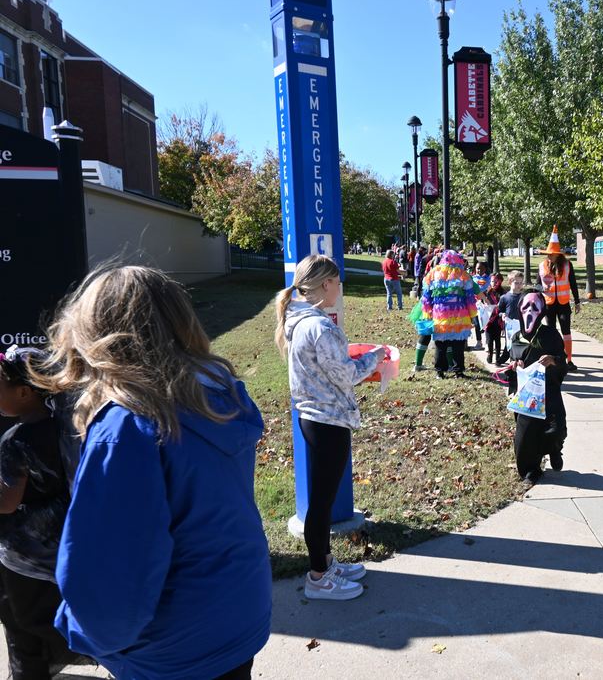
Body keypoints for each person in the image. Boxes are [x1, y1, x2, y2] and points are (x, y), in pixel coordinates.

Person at [33, 265, 271, 680]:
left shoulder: (127, 428)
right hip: (236, 615)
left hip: (171, 650)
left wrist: (83, 632)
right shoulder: (219, 396)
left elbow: (110, 571)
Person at [276, 254, 385, 602]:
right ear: (326, 284)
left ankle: (325, 563)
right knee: (321, 505)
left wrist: (350, 357)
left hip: (317, 416)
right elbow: (346, 375)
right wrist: (377, 356)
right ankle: (318, 577)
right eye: (338, 281)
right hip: (327, 420)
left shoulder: (302, 320)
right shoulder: (318, 326)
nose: (341, 288)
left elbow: (329, 368)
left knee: (322, 500)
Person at [0, 346, 80, 680]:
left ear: (24, 391)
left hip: (24, 556)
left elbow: (5, 502)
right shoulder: (63, 426)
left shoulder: (16, 441)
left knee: (21, 624)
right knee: (55, 611)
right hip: (60, 544)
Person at [506, 292, 569, 485]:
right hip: (527, 395)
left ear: (542, 311)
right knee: (525, 437)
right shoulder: (516, 337)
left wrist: (553, 361)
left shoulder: (551, 335)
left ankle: (553, 450)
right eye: (526, 307)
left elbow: (563, 363)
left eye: (535, 307)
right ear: (519, 310)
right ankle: (531, 471)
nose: (529, 311)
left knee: (556, 430)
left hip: (549, 392)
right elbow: (511, 361)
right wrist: (515, 366)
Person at [421, 250, 478, 378]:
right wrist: (473, 315)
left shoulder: (433, 274)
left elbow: (426, 298)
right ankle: (458, 371)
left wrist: (427, 314)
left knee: (441, 345)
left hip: (440, 316)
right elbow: (470, 298)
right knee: (458, 345)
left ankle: (440, 372)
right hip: (460, 316)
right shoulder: (463, 275)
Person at [537, 226, 582, 371]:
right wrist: (541, 290)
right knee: (551, 332)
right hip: (549, 304)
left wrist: (577, 301)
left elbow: (573, 284)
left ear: (558, 255)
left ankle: (568, 360)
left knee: (566, 332)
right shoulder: (542, 266)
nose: (549, 256)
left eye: (552, 254)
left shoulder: (568, 265)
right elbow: (537, 284)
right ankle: (552, 360)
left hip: (563, 304)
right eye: (548, 254)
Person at [496, 270, 526, 365]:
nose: (519, 285)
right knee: (509, 344)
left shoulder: (524, 297)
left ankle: (518, 362)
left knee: (520, 345)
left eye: (521, 283)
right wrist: (502, 315)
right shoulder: (504, 297)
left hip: (522, 325)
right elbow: (499, 311)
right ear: (510, 282)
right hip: (510, 326)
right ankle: (504, 360)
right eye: (516, 283)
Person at [482, 274, 505, 364]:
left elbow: (504, 306)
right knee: (489, 339)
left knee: (497, 339)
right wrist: (483, 304)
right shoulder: (487, 292)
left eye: (496, 281)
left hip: (498, 320)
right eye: (492, 281)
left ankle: (498, 357)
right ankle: (490, 355)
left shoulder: (503, 293)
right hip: (488, 319)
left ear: (500, 282)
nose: (494, 283)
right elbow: (480, 300)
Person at [470, 262, 491, 351]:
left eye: (481, 269)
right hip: (475, 303)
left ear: (485, 269)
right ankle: (479, 341)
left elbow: (487, 288)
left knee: (486, 322)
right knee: (476, 323)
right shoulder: (472, 278)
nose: (479, 270)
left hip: (485, 302)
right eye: (478, 268)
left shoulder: (489, 278)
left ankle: (487, 342)